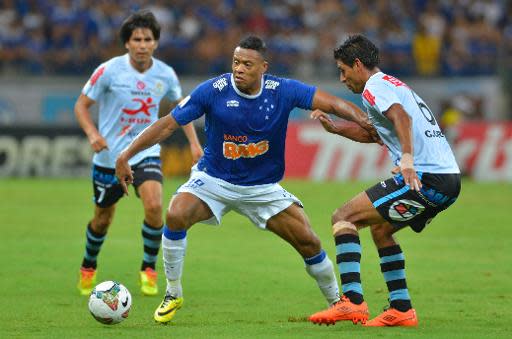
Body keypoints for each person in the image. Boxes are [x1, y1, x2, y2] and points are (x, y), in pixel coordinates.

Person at [115, 35, 378, 323]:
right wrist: (126, 155)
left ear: (263, 67)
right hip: (214, 181)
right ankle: (173, 292)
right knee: (176, 214)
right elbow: (167, 125)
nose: (239, 68)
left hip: (262, 189)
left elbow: (332, 104)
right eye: (236, 62)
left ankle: (338, 302)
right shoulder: (213, 90)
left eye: (247, 64)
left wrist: (363, 120)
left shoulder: (283, 90)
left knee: (309, 241)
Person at [308, 34, 461, 327]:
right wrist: (337, 128)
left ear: (357, 64)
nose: (341, 78)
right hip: (447, 180)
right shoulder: (391, 85)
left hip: (426, 177)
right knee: (380, 230)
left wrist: (406, 159)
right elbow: (373, 133)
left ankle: (351, 302)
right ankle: (402, 309)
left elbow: (402, 118)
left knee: (344, 217)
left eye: (343, 70)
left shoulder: (374, 87)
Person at [75, 10, 203, 297]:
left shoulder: (166, 74)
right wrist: (93, 134)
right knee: (102, 218)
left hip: (146, 153)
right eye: (137, 39)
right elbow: (81, 106)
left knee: (156, 206)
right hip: (109, 159)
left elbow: (180, 111)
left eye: (148, 39)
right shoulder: (108, 71)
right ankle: (88, 265)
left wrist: (194, 143)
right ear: (127, 43)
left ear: (156, 43)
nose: (142, 44)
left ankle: (148, 268)